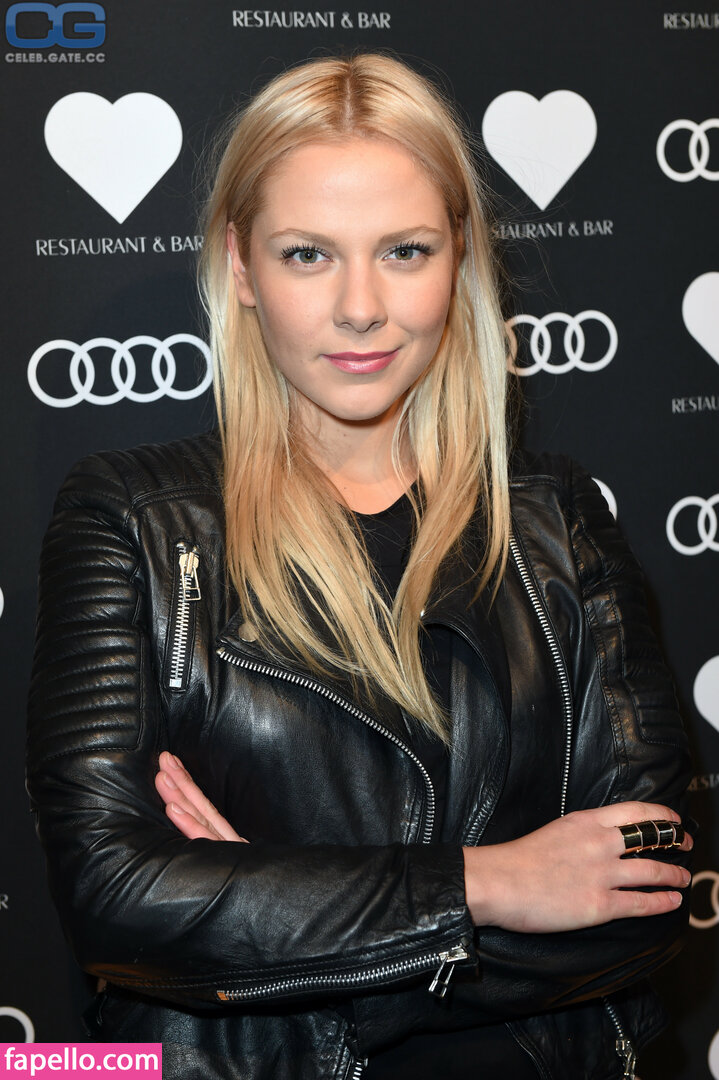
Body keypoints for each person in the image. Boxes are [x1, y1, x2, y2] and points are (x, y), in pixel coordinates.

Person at [27, 53, 692, 1080]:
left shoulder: (560, 524)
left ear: (458, 259)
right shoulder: (132, 520)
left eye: (404, 250)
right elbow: (116, 902)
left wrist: (264, 913)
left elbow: (649, 895)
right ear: (240, 267)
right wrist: (489, 884)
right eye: (307, 254)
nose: (359, 307)